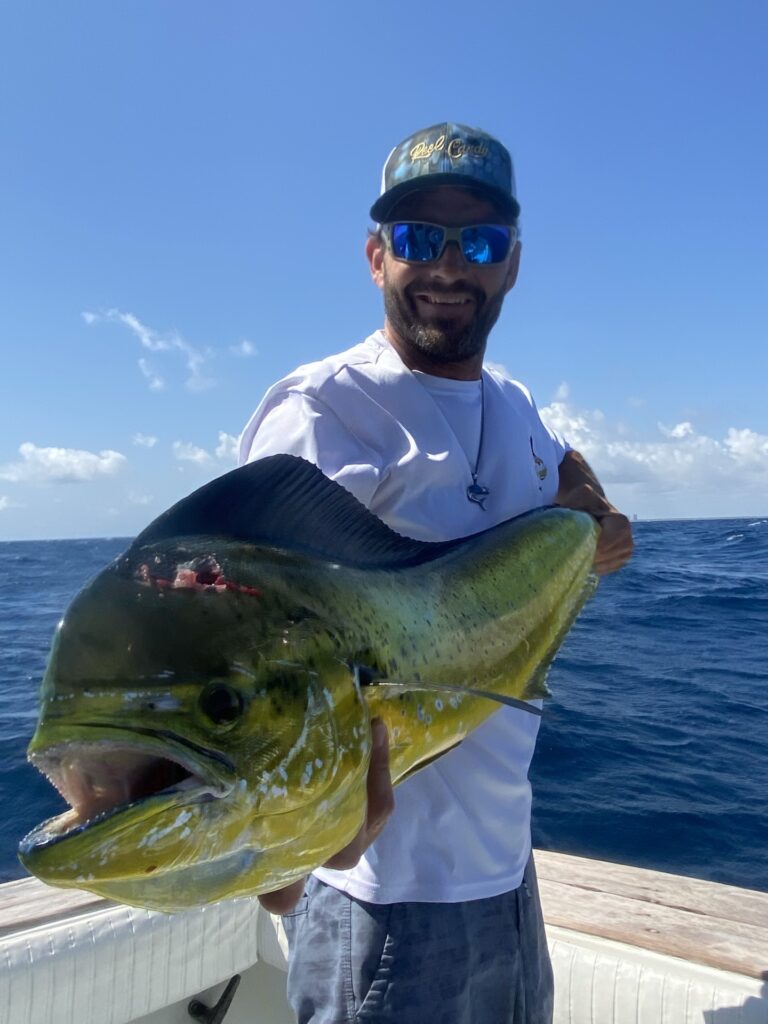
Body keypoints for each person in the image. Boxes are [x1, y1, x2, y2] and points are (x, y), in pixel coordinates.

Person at [238, 122, 633, 1024]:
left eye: (480, 241)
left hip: (507, 877)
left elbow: (562, 480)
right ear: (376, 256)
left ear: (513, 264)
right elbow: (267, 655)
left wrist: (592, 520)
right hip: (382, 901)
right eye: (419, 238)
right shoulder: (325, 410)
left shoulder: (518, 405)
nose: (449, 266)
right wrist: (278, 865)